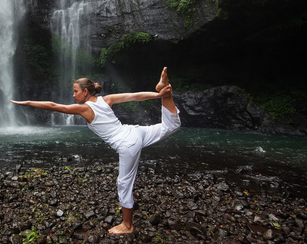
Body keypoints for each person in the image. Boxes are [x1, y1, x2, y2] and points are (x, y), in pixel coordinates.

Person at [10, 67, 181, 234]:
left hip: (127, 143)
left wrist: (28, 103)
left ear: (85, 92)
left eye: (75, 91)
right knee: (172, 125)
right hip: (135, 131)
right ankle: (166, 93)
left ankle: (127, 225)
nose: (73, 94)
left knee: (124, 183)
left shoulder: (85, 108)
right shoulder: (106, 99)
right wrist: (158, 95)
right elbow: (134, 96)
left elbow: (54, 106)